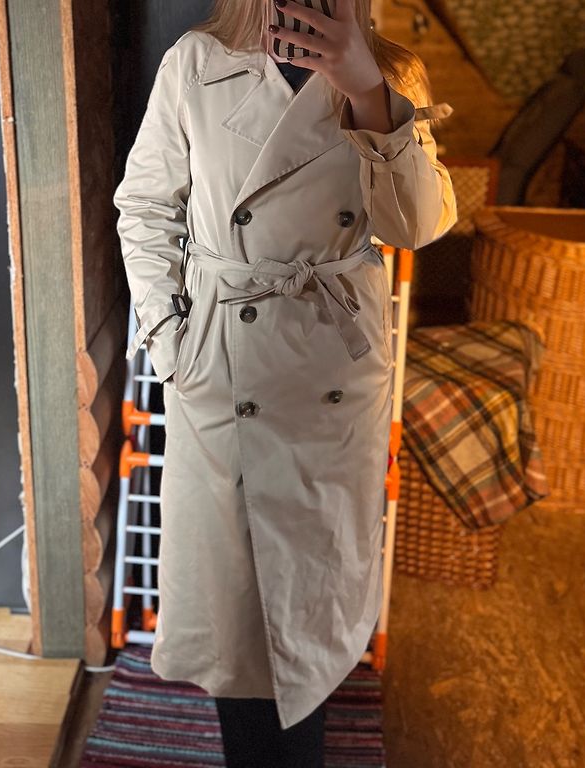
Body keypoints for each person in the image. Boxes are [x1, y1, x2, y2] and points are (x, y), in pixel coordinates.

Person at [113, 1, 457, 764]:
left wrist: (367, 91)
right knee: (237, 622)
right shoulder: (195, 63)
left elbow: (417, 225)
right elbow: (145, 207)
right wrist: (174, 348)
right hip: (222, 367)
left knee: (308, 609)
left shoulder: (392, 73)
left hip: (329, 376)